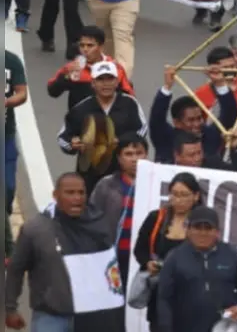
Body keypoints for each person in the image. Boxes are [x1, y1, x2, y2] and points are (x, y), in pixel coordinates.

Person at [5, 172, 127, 332]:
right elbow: (16, 269)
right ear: (56, 195)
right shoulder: (35, 229)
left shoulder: (100, 225)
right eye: (70, 193)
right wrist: (10, 308)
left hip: (93, 316)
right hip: (51, 316)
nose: (77, 198)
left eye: (81, 193)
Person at [156, 205, 237, 332]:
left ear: (217, 232)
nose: (202, 233)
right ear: (188, 230)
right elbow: (164, 298)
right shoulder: (174, 257)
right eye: (197, 227)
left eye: (208, 228)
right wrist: (165, 328)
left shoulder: (233, 254)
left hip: (223, 328)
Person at [56, 60, 149, 193]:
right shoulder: (81, 109)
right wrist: (72, 144)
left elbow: (142, 129)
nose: (106, 83)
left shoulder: (129, 103)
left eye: (110, 79)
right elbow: (62, 138)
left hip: (122, 172)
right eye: (100, 79)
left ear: (117, 82)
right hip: (90, 175)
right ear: (93, 83)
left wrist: (123, 143)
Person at [133, 172, 203, 332]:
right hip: (160, 295)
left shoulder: (202, 223)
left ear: (196, 196)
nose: (178, 200)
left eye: (184, 195)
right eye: (174, 194)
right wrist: (148, 263)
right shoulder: (156, 218)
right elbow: (140, 249)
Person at [88, 132, 148, 287]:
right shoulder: (106, 186)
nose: (135, 159)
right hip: (115, 255)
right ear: (119, 158)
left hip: (145, 258)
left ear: (147, 155)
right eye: (128, 154)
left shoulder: (156, 185)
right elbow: (91, 220)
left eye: (139, 153)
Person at [150, 64, 237, 163]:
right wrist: (167, 87)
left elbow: (230, 115)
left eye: (199, 118)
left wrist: (220, 84)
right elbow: (157, 119)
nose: (197, 124)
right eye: (191, 120)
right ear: (176, 122)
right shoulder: (166, 139)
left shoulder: (209, 136)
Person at [47, 25, 134, 108]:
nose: (85, 49)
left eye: (90, 45)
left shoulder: (115, 68)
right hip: (80, 117)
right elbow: (53, 92)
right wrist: (66, 76)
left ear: (101, 47)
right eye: (82, 45)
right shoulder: (72, 67)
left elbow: (129, 98)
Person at [4, 51, 27, 215]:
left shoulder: (11, 60)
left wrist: (5, 102)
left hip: (5, 135)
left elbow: (22, 93)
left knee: (8, 187)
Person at [173, 131, 237, 172]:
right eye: (191, 155)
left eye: (199, 152)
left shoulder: (213, 165)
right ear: (177, 156)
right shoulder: (166, 171)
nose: (197, 158)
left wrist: (235, 148)